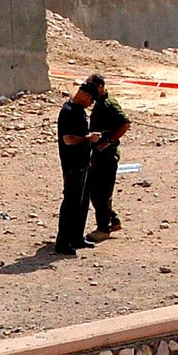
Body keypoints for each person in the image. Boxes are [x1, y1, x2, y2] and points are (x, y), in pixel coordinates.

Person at [54, 78, 100, 255]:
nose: (91, 104)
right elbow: (68, 139)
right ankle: (63, 242)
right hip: (72, 165)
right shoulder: (68, 112)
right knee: (71, 203)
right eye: (91, 99)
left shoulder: (79, 111)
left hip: (83, 163)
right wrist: (88, 138)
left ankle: (76, 237)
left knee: (82, 203)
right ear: (83, 95)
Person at [85, 72, 130, 240]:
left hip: (107, 155)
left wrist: (110, 140)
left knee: (101, 193)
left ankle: (103, 229)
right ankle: (112, 219)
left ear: (100, 87)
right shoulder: (99, 102)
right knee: (94, 190)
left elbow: (125, 123)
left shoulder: (109, 104)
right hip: (98, 153)